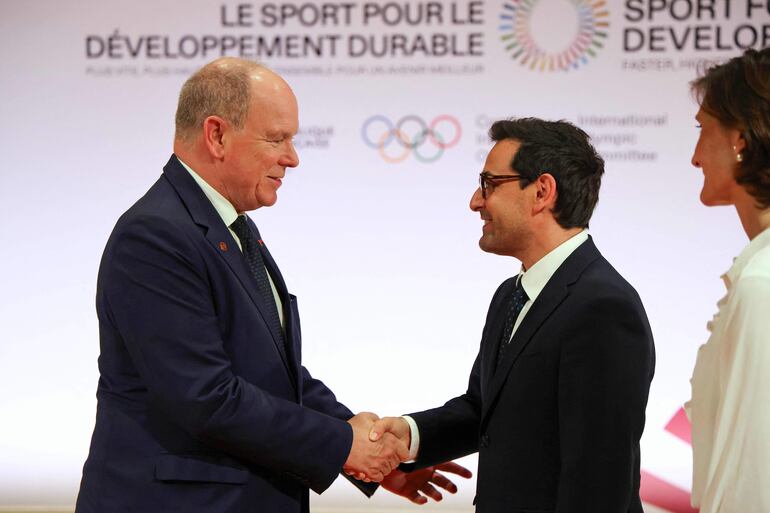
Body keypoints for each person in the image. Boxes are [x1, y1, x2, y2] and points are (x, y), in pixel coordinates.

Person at [75, 57, 467, 512]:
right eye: (277, 138)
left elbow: (272, 376)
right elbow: (207, 397)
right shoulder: (156, 235)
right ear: (217, 134)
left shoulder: (229, 228)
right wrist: (345, 445)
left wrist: (369, 454)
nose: (292, 157)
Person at [370, 118, 656, 512]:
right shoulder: (511, 295)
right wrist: (410, 434)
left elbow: (599, 476)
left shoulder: (603, 307)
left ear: (541, 191)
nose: (476, 200)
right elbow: (484, 409)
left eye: (490, 183)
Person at [686, 47, 770, 513]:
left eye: (702, 129)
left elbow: (752, 480)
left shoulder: (762, 284)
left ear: (740, 137)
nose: (695, 156)